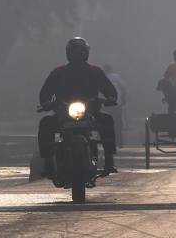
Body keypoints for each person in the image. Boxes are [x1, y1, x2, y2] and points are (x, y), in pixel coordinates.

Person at [38, 37, 117, 177]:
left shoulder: (95, 71)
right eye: (74, 52)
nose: (77, 55)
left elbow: (110, 90)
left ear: (86, 53)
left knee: (107, 120)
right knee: (45, 124)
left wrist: (111, 98)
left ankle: (109, 161)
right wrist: (46, 103)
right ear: (68, 53)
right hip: (63, 113)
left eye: (81, 52)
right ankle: (48, 163)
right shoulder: (58, 72)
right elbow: (45, 92)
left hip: (90, 112)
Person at [102, 64, 128, 148]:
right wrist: (124, 99)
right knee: (118, 123)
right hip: (117, 103)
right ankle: (119, 141)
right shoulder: (116, 77)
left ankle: (105, 140)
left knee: (105, 123)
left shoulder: (102, 77)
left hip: (105, 104)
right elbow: (124, 88)